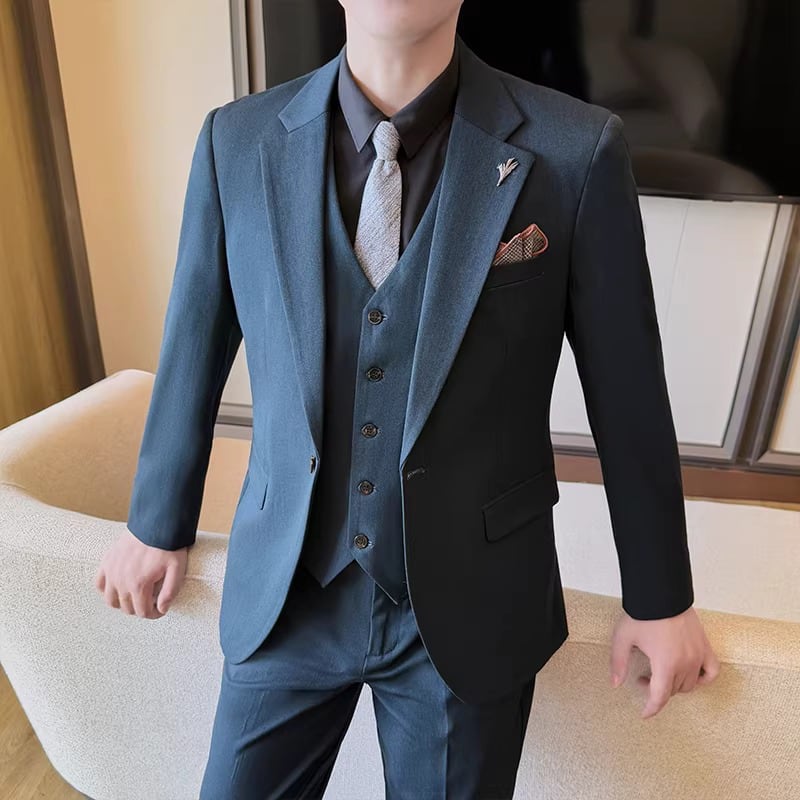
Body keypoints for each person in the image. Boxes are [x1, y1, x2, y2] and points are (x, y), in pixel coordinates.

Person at [95, 1, 720, 797]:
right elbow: (194, 340)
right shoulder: (236, 141)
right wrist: (156, 521)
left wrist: (660, 597)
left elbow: (627, 388)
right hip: (288, 589)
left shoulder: (575, 150)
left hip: (471, 600)